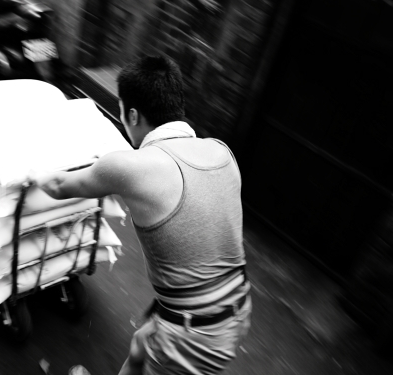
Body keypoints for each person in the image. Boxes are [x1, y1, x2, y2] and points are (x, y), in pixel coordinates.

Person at [32, 56, 251, 375]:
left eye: (122, 112)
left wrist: (25, 174)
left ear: (132, 114)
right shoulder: (221, 151)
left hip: (194, 334)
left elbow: (58, 185)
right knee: (140, 350)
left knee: (157, 353)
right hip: (237, 310)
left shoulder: (130, 165)